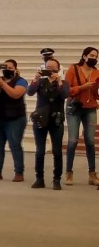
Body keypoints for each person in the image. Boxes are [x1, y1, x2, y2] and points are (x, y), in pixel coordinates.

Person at [27, 58, 69, 189]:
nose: (51, 70)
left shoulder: (63, 83)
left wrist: (59, 81)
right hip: (41, 118)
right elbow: (30, 92)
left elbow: (65, 95)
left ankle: (57, 179)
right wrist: (35, 79)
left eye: (53, 67)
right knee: (40, 151)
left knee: (57, 151)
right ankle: (39, 178)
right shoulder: (40, 81)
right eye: (48, 67)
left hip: (56, 119)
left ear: (58, 68)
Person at [0, 60, 28, 182]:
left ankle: (19, 172)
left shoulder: (20, 81)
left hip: (15, 118)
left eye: (10, 67)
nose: (7, 69)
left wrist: (2, 84)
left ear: (15, 69)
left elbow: (15, 94)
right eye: (5, 67)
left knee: (14, 145)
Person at [63, 47, 99, 186]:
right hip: (74, 108)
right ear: (84, 56)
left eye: (96, 56)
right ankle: (69, 173)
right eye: (91, 55)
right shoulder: (73, 69)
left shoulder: (97, 72)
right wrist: (82, 87)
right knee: (72, 140)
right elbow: (66, 91)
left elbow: (96, 93)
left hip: (90, 108)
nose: (94, 58)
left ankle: (92, 174)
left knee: (90, 141)